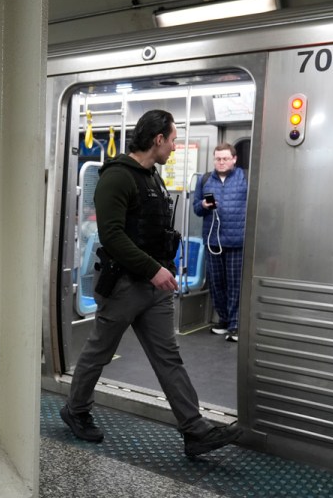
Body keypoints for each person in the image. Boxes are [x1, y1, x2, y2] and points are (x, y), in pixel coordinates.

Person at [60, 110, 242, 457]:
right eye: (172, 140)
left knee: (168, 357)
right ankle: (76, 410)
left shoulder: (153, 178)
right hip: (124, 284)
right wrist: (152, 270)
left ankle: (194, 430)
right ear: (158, 139)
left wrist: (164, 268)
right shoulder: (117, 178)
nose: (174, 147)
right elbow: (112, 235)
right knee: (99, 351)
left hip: (154, 286)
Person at [193, 143, 248, 343]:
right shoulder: (205, 180)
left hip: (236, 241)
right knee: (217, 283)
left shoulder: (245, 179)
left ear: (234, 159)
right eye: (218, 158)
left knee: (235, 284)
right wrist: (203, 205)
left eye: (225, 158)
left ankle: (235, 324)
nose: (221, 162)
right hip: (212, 240)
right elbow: (196, 209)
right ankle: (224, 320)